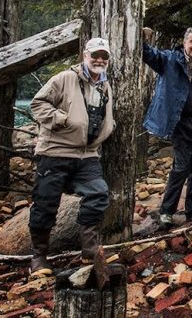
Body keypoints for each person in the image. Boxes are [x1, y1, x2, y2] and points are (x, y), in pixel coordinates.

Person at [28, 37, 114, 277]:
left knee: (98, 193)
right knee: (45, 204)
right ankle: (38, 257)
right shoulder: (65, 78)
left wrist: (109, 127)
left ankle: (88, 250)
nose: (99, 60)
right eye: (95, 55)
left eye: (104, 57)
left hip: (87, 155)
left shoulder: (105, 85)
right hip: (55, 152)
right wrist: (60, 119)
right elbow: (38, 103)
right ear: (84, 55)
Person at [142, 26, 192, 227]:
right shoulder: (169, 60)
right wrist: (141, 40)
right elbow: (149, 55)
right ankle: (167, 211)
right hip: (181, 122)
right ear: (184, 43)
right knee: (181, 167)